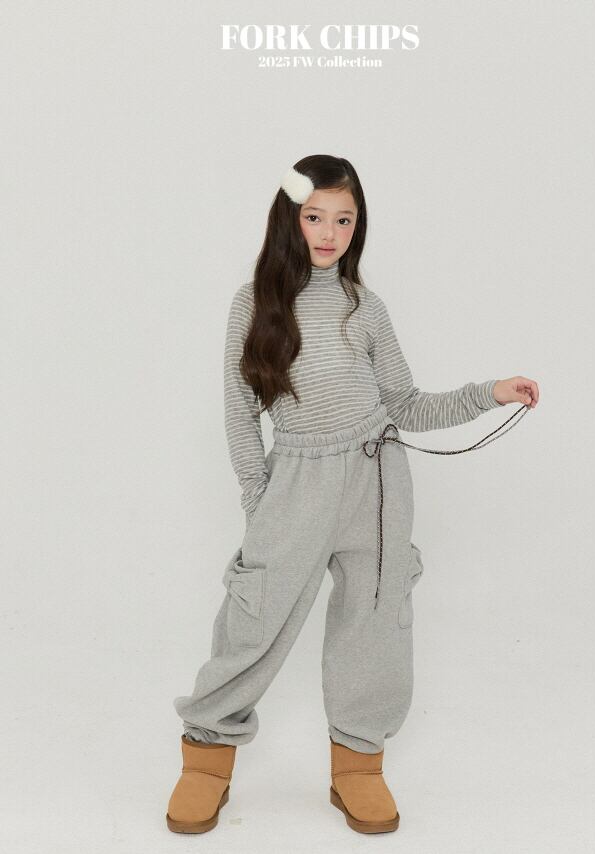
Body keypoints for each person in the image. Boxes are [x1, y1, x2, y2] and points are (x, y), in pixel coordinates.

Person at [166, 154, 539, 836]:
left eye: (344, 220)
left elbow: (407, 405)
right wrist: (259, 500)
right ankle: (206, 757)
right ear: (289, 219)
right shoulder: (253, 303)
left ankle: (358, 765)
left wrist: (490, 393)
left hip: (376, 478)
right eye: (315, 217)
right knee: (255, 619)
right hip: (296, 482)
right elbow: (240, 414)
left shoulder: (366, 308)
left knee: (376, 620)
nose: (329, 233)